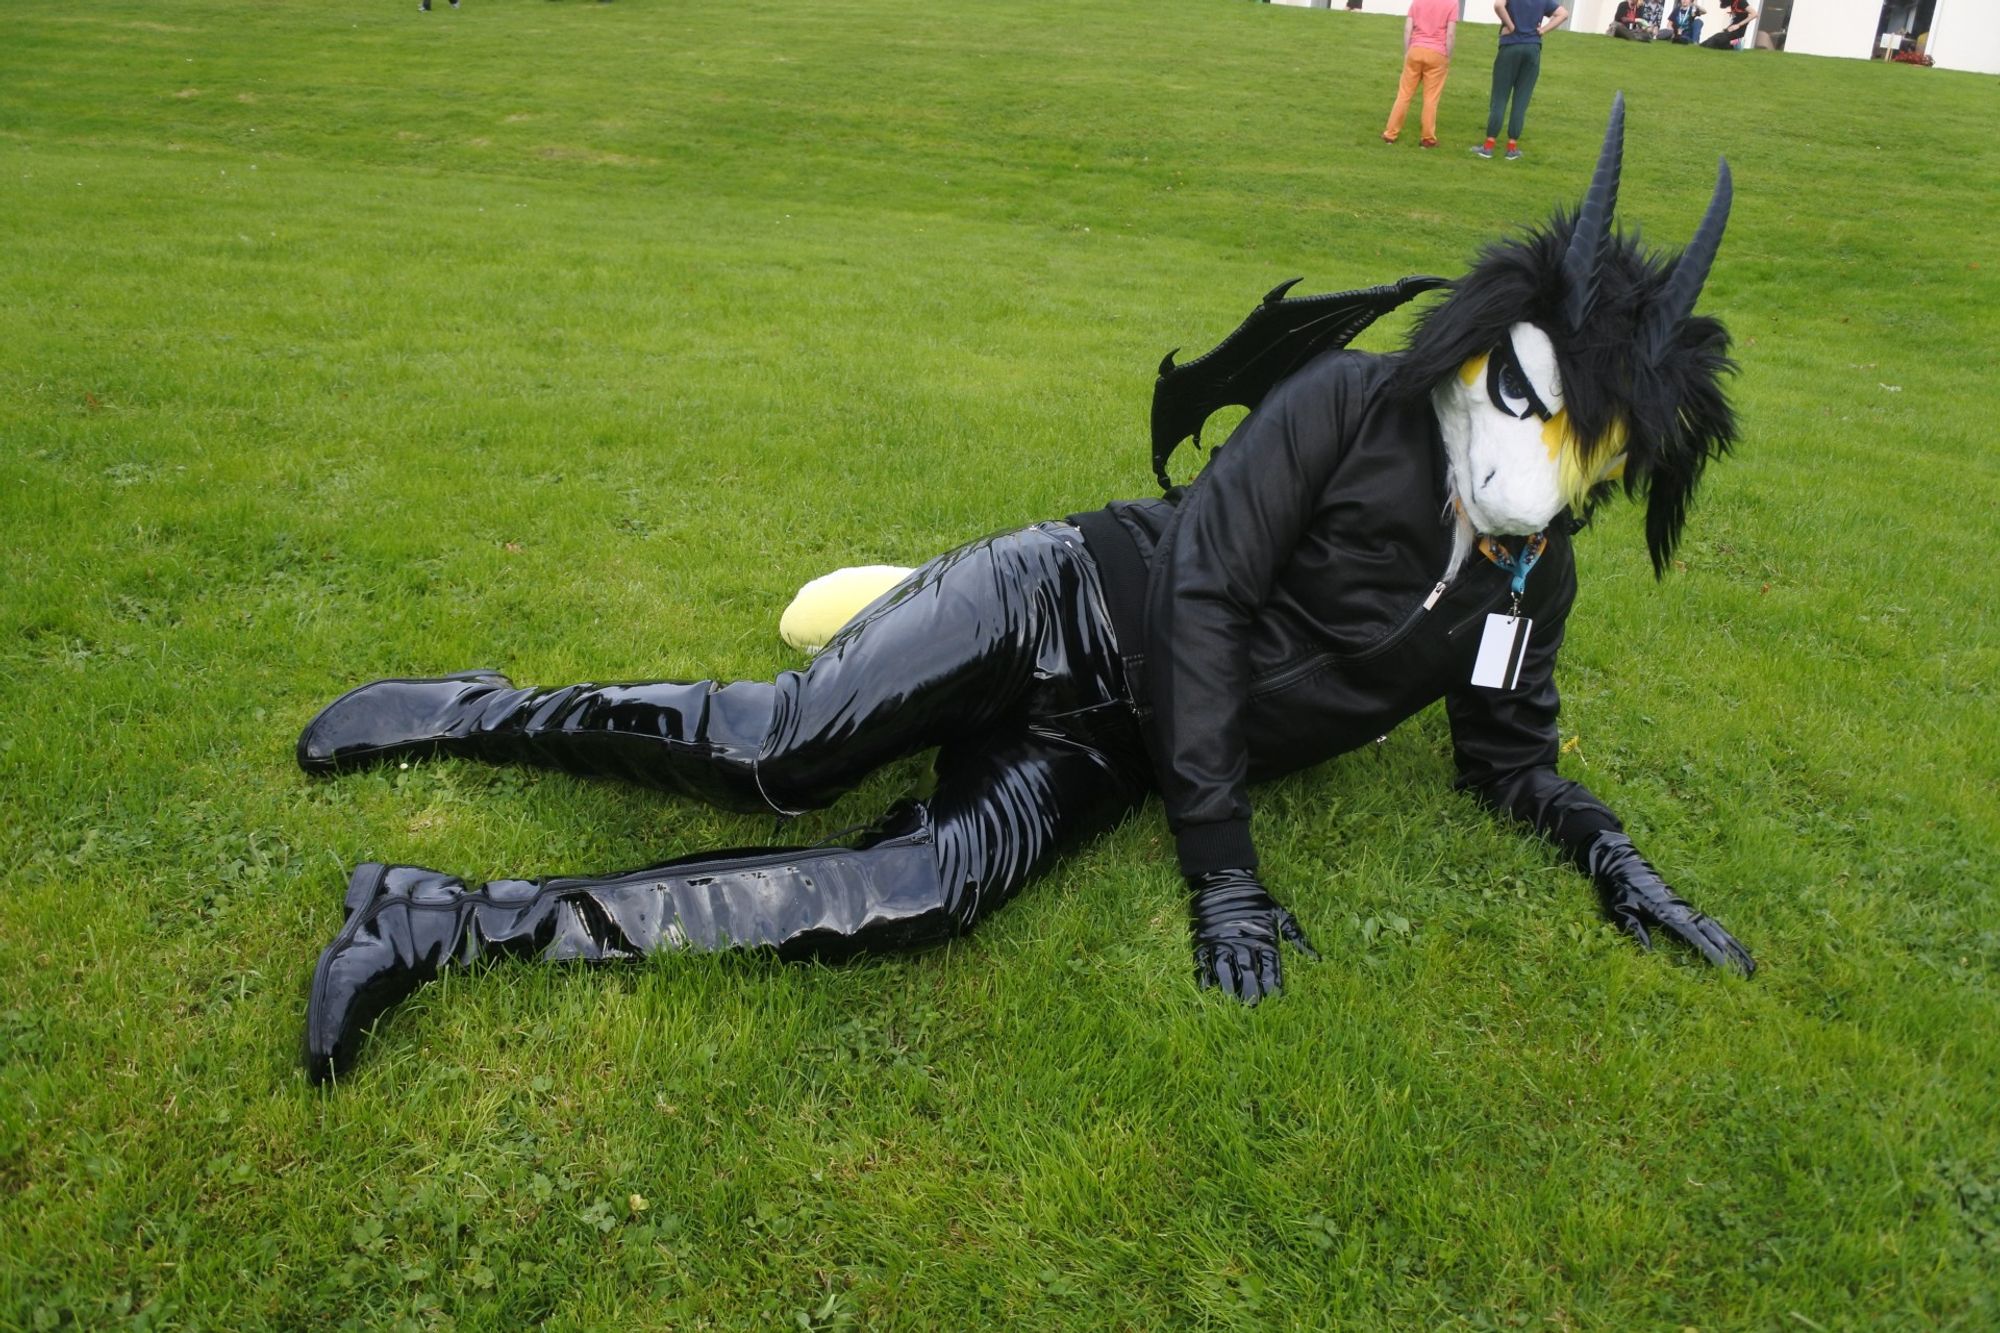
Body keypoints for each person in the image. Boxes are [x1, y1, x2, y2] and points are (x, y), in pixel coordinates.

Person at [297, 97, 1756, 1085]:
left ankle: (436, 922)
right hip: (1066, 594)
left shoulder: (1529, 578)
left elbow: (1506, 755)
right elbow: (1202, 599)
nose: (1545, 472)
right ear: (1496, 349)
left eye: (1598, 458)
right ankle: (480, 711)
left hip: (1111, 745)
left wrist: (1611, 855)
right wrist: (1225, 870)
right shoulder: (1349, 403)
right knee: (783, 749)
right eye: (1541, 413)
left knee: (918, 894)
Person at [1474, 0, 1568, 161]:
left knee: (1500, 97)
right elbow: (1563, 14)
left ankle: (1489, 146)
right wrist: (1543, 30)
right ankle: (1511, 147)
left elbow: (1498, 5)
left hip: (1510, 46)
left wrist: (1510, 26)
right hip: (1532, 48)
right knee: (1521, 100)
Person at [1381, 0, 1460, 148]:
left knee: (1404, 95)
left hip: (1415, 50)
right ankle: (1427, 138)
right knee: (1431, 98)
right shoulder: (1452, 3)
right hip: (1437, 53)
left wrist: (1407, 52)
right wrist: (1447, 57)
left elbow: (1407, 29)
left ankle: (1390, 134)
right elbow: (1450, 34)